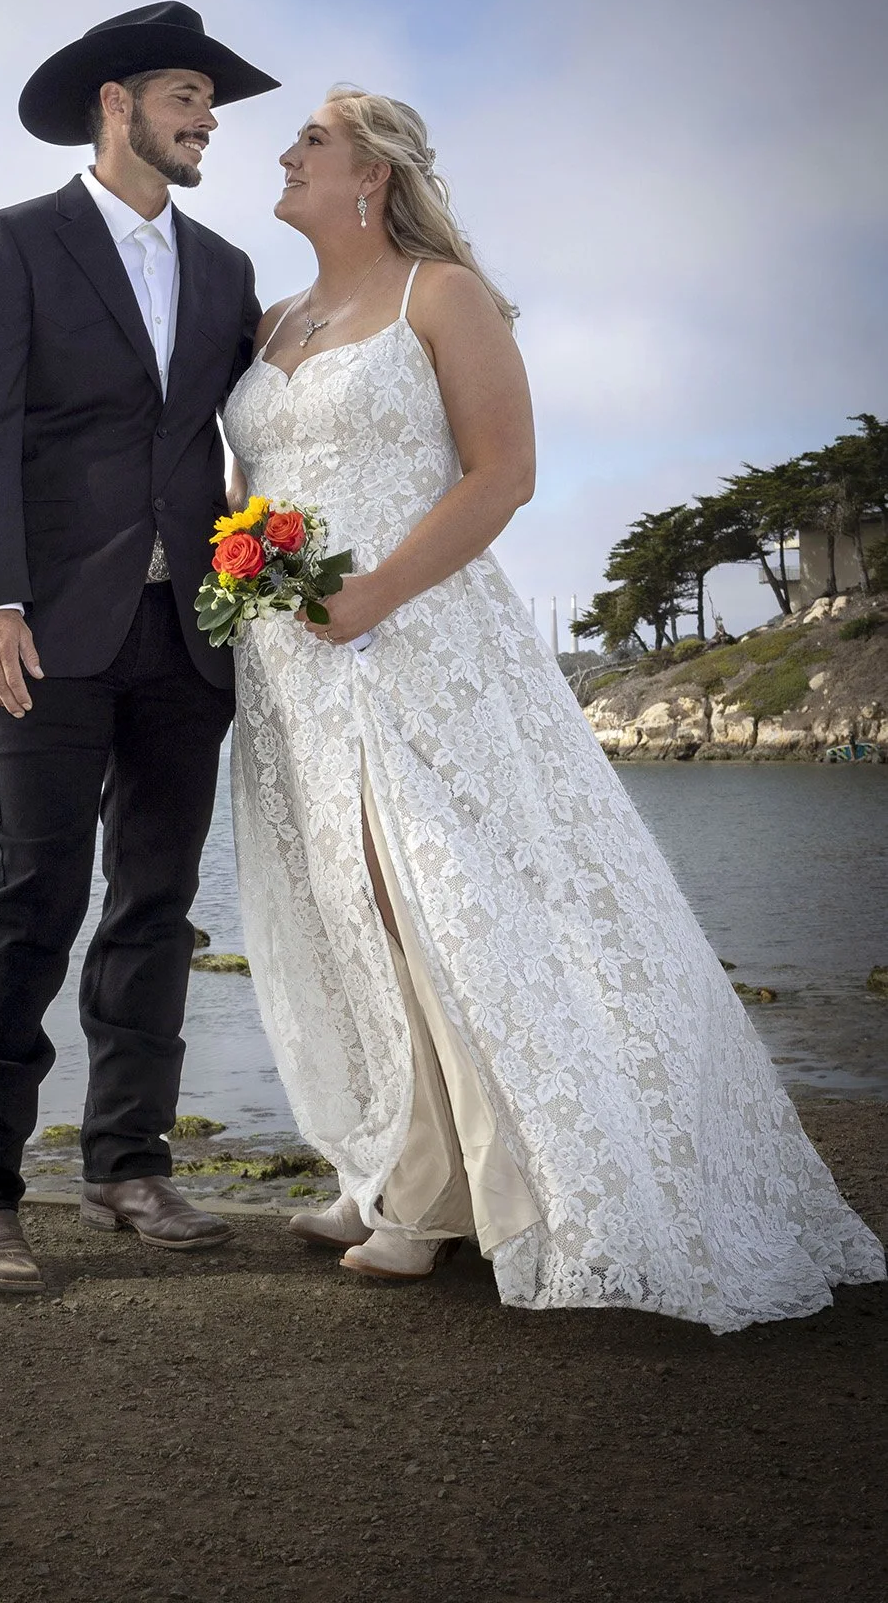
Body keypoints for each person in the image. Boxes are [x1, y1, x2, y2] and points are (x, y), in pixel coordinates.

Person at [222, 85, 885, 1330]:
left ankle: (464, 1195)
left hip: (414, 640)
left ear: (371, 171)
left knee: (438, 895)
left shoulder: (440, 294)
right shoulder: (270, 321)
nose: (284, 149)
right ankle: (400, 1166)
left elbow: (504, 473)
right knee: (348, 905)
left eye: (309, 138)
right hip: (293, 662)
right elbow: (247, 486)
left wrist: (368, 596)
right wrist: (250, 576)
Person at [0, 2, 278, 1292]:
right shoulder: (14, 243)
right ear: (115, 103)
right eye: (186, 93)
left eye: (210, 100)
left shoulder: (231, 268)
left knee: (155, 902)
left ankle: (128, 1163)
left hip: (188, 632)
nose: (205, 120)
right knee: (31, 892)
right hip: (45, 631)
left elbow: (241, 440)